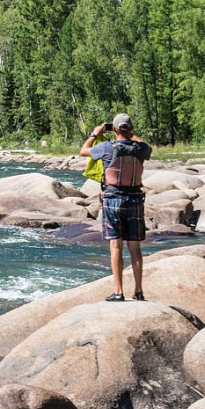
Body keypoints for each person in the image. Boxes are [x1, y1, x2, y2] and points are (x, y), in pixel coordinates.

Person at [80, 112, 152, 301]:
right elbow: (145, 144)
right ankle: (139, 292)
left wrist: (95, 133)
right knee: (135, 248)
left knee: (115, 246)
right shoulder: (141, 148)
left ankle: (119, 292)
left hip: (113, 199)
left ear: (115, 129)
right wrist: (131, 134)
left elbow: (84, 150)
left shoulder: (106, 147)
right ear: (130, 129)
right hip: (135, 200)